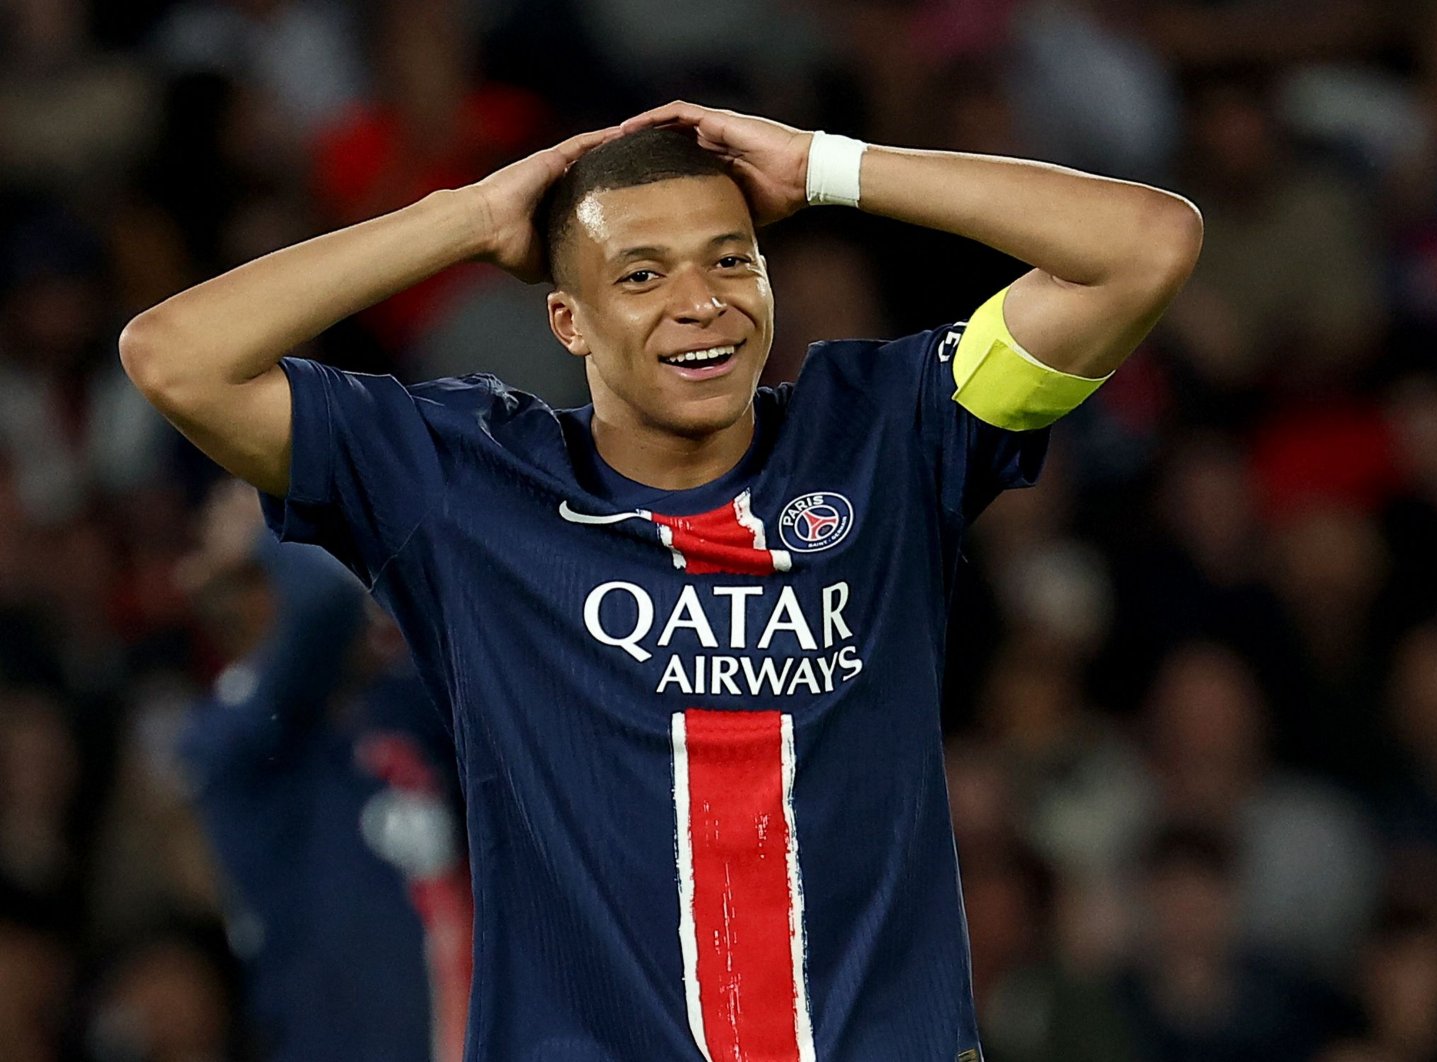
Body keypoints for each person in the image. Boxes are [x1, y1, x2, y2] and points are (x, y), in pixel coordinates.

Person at [119, 102, 1201, 1058]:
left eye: (732, 260)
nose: (702, 303)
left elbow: (1147, 245)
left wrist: (828, 166)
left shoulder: (890, 431)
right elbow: (177, 353)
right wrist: (466, 218)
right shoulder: (460, 487)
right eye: (640, 275)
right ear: (567, 320)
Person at [178, 479, 471, 1061]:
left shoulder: (394, 714)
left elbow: (462, 629)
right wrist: (269, 523)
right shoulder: (228, 744)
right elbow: (325, 605)